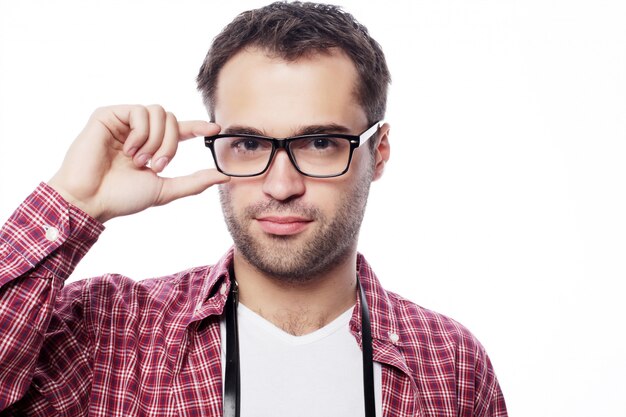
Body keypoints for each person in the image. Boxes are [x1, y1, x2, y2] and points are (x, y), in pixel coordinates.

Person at [0, 2, 507, 416]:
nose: (281, 185)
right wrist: (73, 202)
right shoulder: (108, 332)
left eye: (320, 143)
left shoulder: (452, 363)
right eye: (246, 144)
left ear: (379, 153)